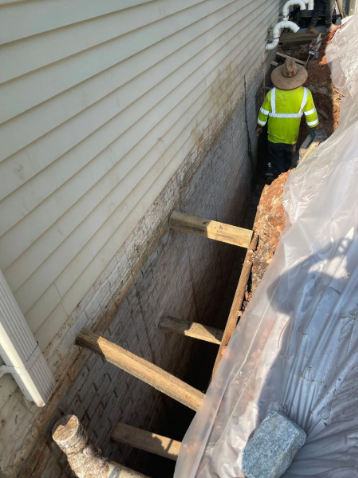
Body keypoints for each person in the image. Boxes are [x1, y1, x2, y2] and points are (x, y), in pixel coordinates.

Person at [255, 58, 319, 180]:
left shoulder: (272, 94)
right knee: (288, 162)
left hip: (273, 138)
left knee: (276, 163)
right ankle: (285, 182)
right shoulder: (305, 94)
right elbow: (311, 119)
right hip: (291, 139)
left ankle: (276, 183)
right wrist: (316, 127)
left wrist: (259, 126)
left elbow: (263, 114)